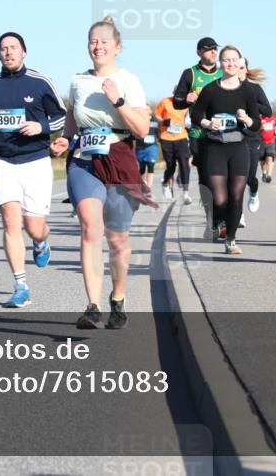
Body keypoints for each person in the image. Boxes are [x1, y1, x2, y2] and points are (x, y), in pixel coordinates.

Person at [50, 17, 154, 329]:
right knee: (90, 228)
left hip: (120, 157)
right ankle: (93, 305)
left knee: (118, 239)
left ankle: (117, 299)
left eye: (104, 42)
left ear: (118, 48)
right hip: (84, 159)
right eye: (93, 41)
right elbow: (72, 118)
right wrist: (65, 139)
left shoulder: (129, 81)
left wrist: (118, 101)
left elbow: (142, 128)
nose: (97, 47)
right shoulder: (78, 81)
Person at [0, 32, 66, 308]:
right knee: (11, 221)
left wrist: (42, 127)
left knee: (34, 227)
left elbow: (61, 115)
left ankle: (41, 241)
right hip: (4, 161)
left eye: (13, 48)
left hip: (35, 161)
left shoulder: (40, 81)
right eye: (3, 49)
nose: (8, 52)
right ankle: (21, 286)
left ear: (24, 52)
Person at [191, 46, 260, 256]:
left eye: (234, 60)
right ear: (221, 63)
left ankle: (231, 240)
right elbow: (196, 116)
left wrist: (246, 119)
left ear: (240, 63)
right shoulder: (211, 89)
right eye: (226, 60)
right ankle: (220, 221)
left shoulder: (248, 90)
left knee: (236, 195)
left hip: (239, 147)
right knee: (220, 199)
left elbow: (256, 123)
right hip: (215, 148)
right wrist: (207, 123)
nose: (230, 64)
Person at [173, 37, 223, 218]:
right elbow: (176, 102)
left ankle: (225, 220)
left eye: (215, 49)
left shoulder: (224, 72)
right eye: (208, 49)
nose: (213, 52)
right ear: (199, 52)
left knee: (222, 178)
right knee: (206, 178)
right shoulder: (190, 74)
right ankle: (211, 217)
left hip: (223, 134)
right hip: (199, 134)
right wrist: (186, 99)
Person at [237, 57, 272, 219]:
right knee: (236, 177)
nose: (238, 70)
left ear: (246, 69)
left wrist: (250, 104)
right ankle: (237, 214)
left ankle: (254, 192)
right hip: (232, 137)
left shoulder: (254, 89)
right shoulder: (223, 88)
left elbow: (268, 111)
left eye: (241, 67)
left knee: (250, 176)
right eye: (234, 66)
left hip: (252, 137)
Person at [154, 94, 191, 204]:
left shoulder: (187, 105)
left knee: (184, 164)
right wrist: (164, 122)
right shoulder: (165, 101)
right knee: (171, 166)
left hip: (182, 137)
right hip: (166, 138)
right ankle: (165, 183)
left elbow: (189, 120)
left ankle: (186, 193)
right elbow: (156, 115)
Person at [134, 115, 161, 199]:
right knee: (141, 169)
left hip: (151, 147)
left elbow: (158, 132)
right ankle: (143, 187)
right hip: (140, 147)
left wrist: (161, 138)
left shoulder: (154, 120)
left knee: (151, 166)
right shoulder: (137, 118)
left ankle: (149, 190)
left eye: (148, 108)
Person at [259, 112, 276, 183]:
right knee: (263, 161)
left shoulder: (274, 119)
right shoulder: (260, 119)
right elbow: (256, 129)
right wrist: (261, 128)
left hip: (271, 142)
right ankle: (264, 173)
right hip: (262, 142)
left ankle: (269, 175)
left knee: (269, 158)